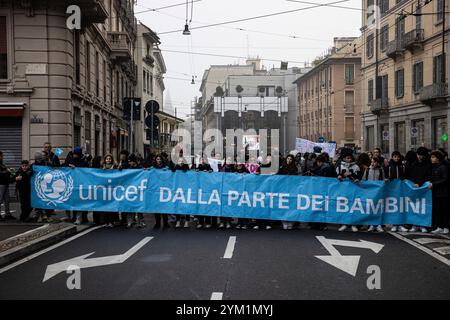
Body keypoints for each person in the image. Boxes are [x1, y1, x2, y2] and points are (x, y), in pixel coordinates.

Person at [405, 147, 431, 233]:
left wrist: (419, 183)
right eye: (419, 155)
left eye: (422, 155)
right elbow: (410, 176)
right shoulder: (413, 164)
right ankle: (414, 224)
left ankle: (422, 225)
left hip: (424, 188)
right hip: (414, 187)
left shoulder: (428, 165)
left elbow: (428, 176)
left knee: (423, 206)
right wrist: (413, 184)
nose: (420, 157)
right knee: (414, 206)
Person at [336, 148, 360, 232]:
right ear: (343, 158)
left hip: (354, 189)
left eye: (350, 158)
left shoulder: (356, 167)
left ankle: (353, 224)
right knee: (344, 206)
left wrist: (355, 177)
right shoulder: (340, 166)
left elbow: (359, 177)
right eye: (347, 158)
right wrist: (339, 177)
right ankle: (344, 223)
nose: (348, 160)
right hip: (343, 190)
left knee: (353, 206)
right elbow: (336, 176)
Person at [64, 147, 89, 224]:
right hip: (71, 184)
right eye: (74, 153)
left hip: (80, 185)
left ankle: (80, 218)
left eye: (76, 154)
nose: (74, 155)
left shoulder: (84, 162)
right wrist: (68, 165)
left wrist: (76, 168)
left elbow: (86, 171)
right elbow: (64, 165)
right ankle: (73, 217)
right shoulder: (70, 160)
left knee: (80, 202)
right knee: (72, 201)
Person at [363, 156, 387, 233]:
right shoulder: (367, 170)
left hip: (378, 192)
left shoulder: (380, 170)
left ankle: (378, 225)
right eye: (372, 162)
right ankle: (371, 225)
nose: (373, 163)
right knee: (370, 208)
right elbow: (363, 180)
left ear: (378, 163)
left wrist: (385, 180)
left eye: (375, 162)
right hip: (369, 192)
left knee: (378, 208)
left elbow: (383, 179)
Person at [387, 151, 408, 232]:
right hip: (392, 189)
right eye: (395, 157)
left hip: (401, 189)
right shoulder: (389, 166)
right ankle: (394, 224)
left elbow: (405, 175)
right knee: (393, 207)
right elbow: (387, 176)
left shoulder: (402, 166)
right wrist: (389, 179)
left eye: (398, 157)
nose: (396, 158)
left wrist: (403, 179)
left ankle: (400, 224)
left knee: (401, 206)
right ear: (392, 157)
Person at [429, 151, 449, 234]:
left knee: (444, 210)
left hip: (443, 193)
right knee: (437, 210)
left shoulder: (442, 167)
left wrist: (434, 184)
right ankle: (440, 226)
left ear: (437, 158)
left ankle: (446, 227)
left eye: (433, 157)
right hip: (436, 192)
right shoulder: (434, 167)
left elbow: (445, 179)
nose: (431, 159)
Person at [277, 154, 298, 230]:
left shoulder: (295, 168)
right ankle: (284, 222)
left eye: (291, 159)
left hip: (292, 190)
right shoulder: (282, 167)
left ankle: (291, 222)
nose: (289, 160)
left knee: (291, 206)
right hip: (283, 189)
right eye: (288, 159)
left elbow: (296, 178)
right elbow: (278, 176)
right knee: (283, 205)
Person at [126, 154, 146, 228]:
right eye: (129, 161)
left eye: (130, 161)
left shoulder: (140, 168)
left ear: (134, 161)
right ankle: (130, 221)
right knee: (130, 206)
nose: (129, 163)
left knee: (139, 206)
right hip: (130, 189)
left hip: (138, 189)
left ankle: (140, 222)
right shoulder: (128, 169)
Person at [194, 157, 214, 229]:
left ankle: (208, 222)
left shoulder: (208, 166)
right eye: (201, 160)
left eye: (204, 159)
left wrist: (210, 171)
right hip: (199, 189)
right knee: (200, 207)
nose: (202, 161)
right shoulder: (198, 167)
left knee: (207, 205)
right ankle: (200, 222)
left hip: (207, 190)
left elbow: (212, 172)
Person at [152, 155, 170, 229]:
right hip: (156, 190)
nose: (158, 160)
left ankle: (166, 223)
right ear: (155, 160)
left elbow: (170, 174)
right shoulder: (153, 168)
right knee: (156, 207)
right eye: (157, 159)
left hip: (164, 190)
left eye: (160, 159)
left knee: (164, 207)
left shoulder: (166, 168)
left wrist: (167, 170)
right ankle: (157, 223)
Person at [101, 154, 119, 227]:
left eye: (109, 159)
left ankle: (112, 222)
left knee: (112, 207)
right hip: (104, 190)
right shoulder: (102, 168)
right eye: (107, 159)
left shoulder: (115, 168)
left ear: (112, 160)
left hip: (113, 190)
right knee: (105, 207)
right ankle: (106, 222)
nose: (108, 160)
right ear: (105, 160)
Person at [174, 157, 191, 228]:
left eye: (182, 161)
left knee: (187, 205)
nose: (180, 162)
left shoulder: (187, 170)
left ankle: (187, 221)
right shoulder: (175, 169)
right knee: (177, 205)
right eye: (179, 161)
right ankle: (177, 221)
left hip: (186, 189)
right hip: (177, 189)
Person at [218, 157, 235, 229]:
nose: (229, 161)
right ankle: (222, 221)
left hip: (230, 189)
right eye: (227, 160)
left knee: (229, 205)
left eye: (230, 160)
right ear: (225, 161)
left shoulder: (233, 169)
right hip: (222, 189)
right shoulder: (222, 168)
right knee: (222, 206)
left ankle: (228, 221)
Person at [0, 151, 16, 221]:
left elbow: (5, 172)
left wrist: (10, 171)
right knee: (0, 200)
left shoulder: (2, 164)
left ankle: (7, 214)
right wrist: (8, 171)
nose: (2, 157)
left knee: (7, 200)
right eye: (1, 156)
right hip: (1, 184)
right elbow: (1, 174)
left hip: (5, 184)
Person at [235, 162, 251, 229]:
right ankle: (239, 222)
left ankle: (245, 223)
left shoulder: (246, 170)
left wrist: (246, 174)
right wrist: (234, 175)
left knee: (245, 207)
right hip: (237, 192)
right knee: (239, 207)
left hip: (245, 191)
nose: (239, 166)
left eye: (240, 165)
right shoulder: (234, 171)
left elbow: (250, 178)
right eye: (237, 165)